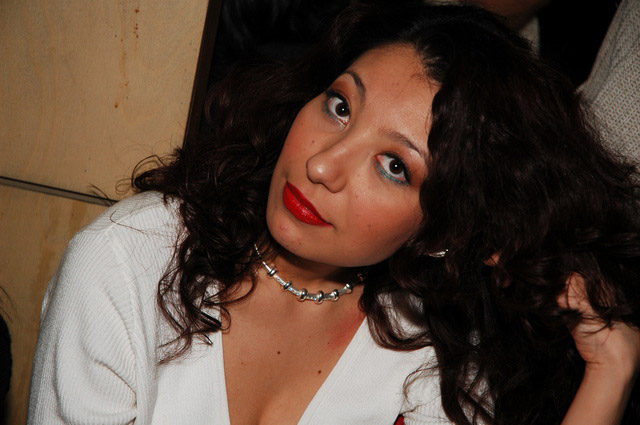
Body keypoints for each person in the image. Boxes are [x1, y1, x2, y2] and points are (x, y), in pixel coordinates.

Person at [28, 2, 640, 424]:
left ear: (443, 230)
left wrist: (611, 370)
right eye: (341, 106)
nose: (322, 164)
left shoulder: (435, 351)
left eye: (394, 165)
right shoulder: (128, 262)